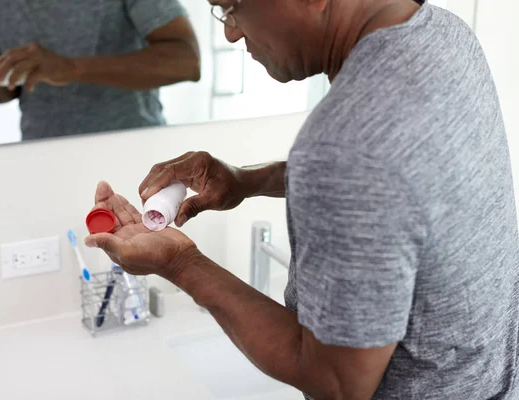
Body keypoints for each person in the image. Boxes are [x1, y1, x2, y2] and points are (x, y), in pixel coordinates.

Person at [85, 0, 519, 398]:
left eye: (231, 7)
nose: (231, 33)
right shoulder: (443, 35)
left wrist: (180, 263)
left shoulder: (346, 145)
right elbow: (392, 177)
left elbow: (338, 381)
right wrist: (245, 180)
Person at [0, 0, 200, 140]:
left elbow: (187, 60)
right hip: (40, 158)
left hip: (131, 150)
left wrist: (71, 68)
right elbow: (6, 86)